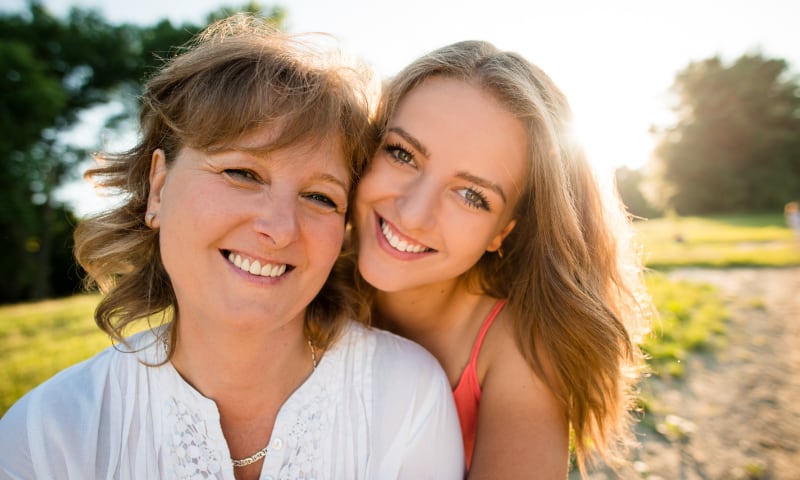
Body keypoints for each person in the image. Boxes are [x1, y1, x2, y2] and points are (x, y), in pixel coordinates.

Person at [0, 15, 464, 480]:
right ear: (159, 188)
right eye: (243, 174)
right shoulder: (45, 435)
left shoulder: (405, 397)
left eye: (320, 197)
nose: (280, 229)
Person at [352, 40, 653, 478]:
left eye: (471, 195)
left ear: (503, 231)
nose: (413, 214)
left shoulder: (520, 350)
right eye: (402, 154)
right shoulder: (300, 269)